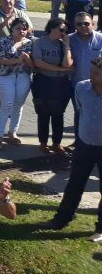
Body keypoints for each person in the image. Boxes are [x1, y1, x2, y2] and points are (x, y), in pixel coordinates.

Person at [47, 54, 102, 240]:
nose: (92, 76)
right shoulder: (81, 87)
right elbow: (81, 110)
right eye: (92, 72)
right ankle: (62, 219)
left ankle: (101, 228)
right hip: (84, 145)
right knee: (74, 184)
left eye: (97, 73)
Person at [30, 18, 74, 155]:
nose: (64, 33)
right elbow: (38, 62)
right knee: (43, 113)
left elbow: (67, 65)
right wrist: (58, 69)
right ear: (51, 28)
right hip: (43, 82)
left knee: (58, 114)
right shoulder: (39, 43)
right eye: (61, 30)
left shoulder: (63, 45)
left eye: (65, 31)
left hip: (60, 84)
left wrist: (67, 46)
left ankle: (57, 143)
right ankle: (43, 142)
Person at [0, 16, 33, 150]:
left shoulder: (30, 43)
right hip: (6, 75)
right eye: (18, 28)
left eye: (24, 29)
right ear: (12, 29)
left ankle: (12, 132)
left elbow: (33, 65)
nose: (21, 31)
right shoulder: (4, 41)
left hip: (23, 75)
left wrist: (27, 60)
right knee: (7, 104)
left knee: (18, 104)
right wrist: (17, 60)